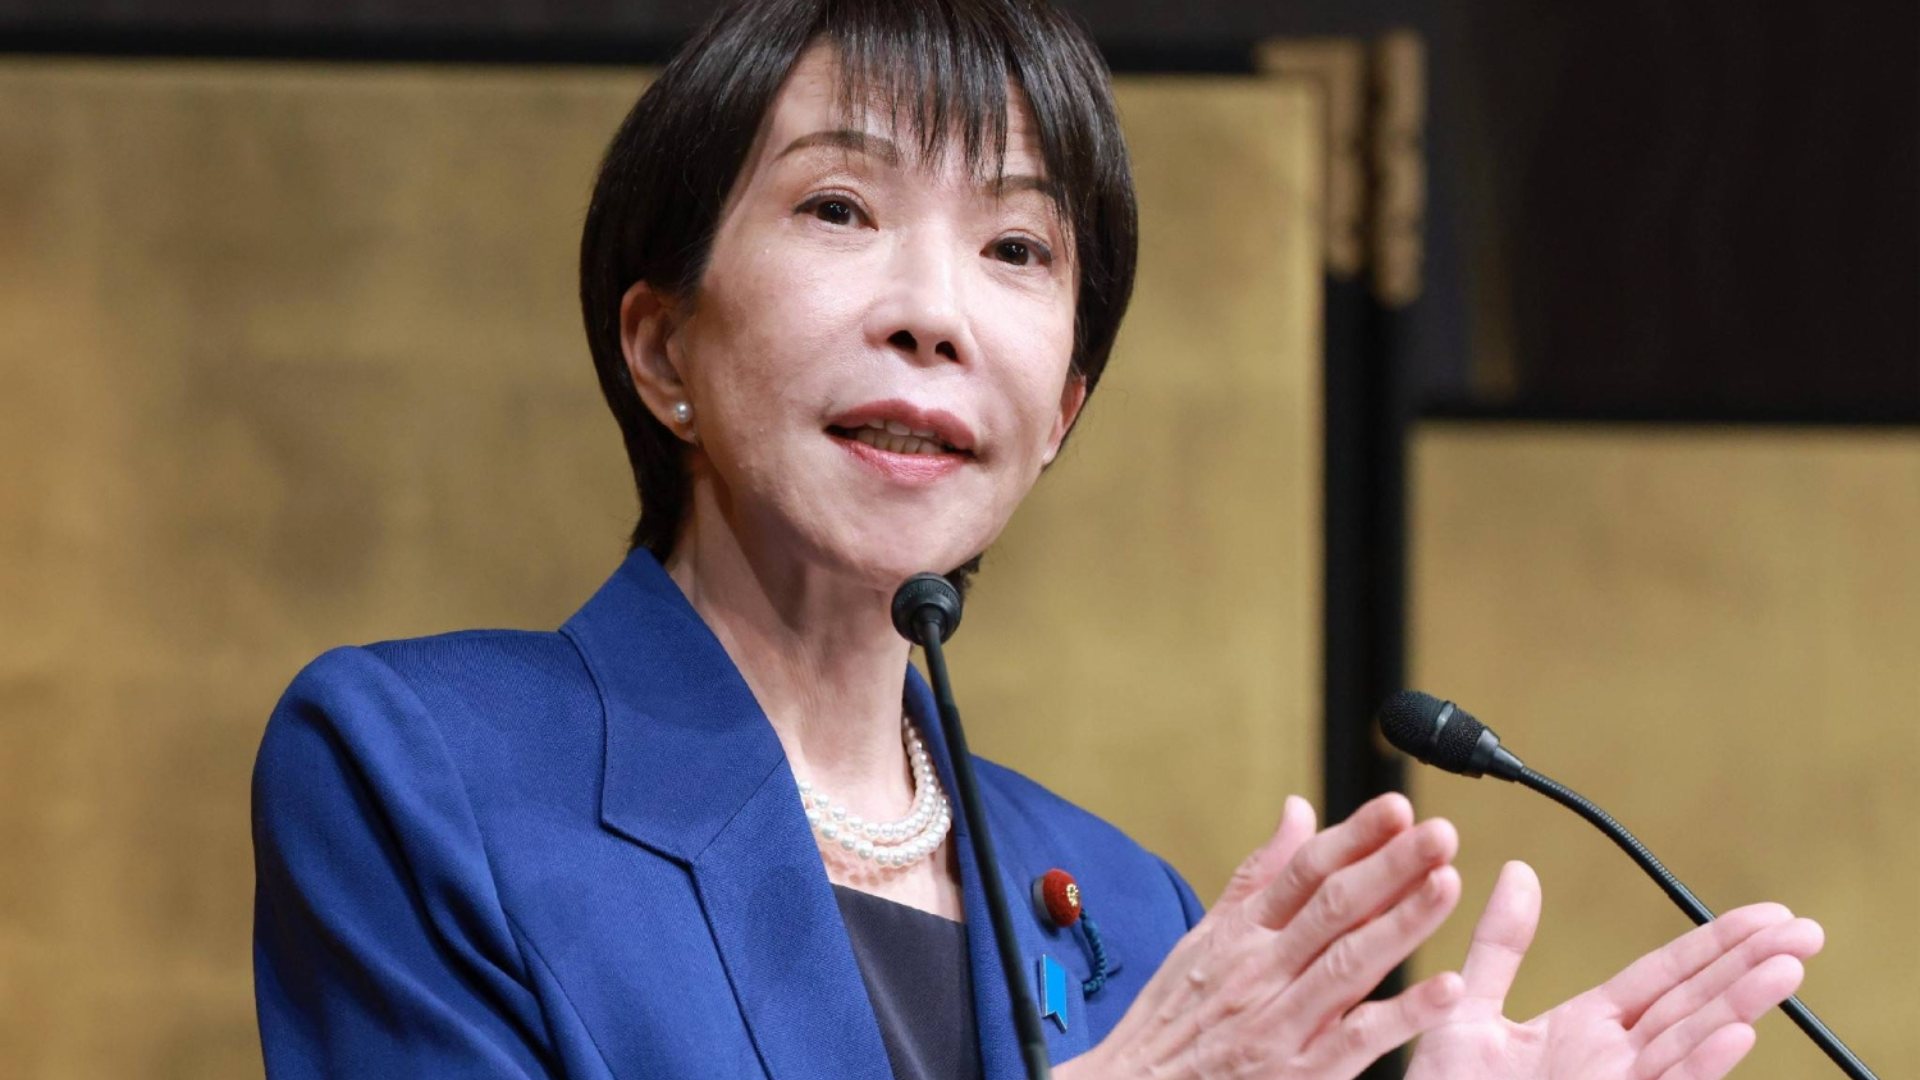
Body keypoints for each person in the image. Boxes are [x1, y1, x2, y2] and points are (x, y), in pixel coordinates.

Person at [251, 0, 1823, 1077]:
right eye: (840, 210)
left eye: (1013, 247)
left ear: (1060, 409)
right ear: (659, 349)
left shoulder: (1120, 902)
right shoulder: (424, 770)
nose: (933, 314)